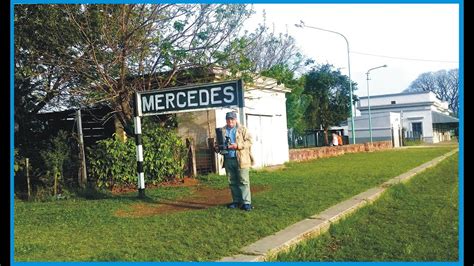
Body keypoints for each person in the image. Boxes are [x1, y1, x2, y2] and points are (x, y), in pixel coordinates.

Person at [215, 111, 254, 211]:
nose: (230, 121)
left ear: (236, 119)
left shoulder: (242, 129)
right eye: (228, 119)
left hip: (241, 159)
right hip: (228, 159)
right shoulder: (222, 130)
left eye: (232, 119)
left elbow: (250, 141)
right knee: (232, 181)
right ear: (226, 120)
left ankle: (246, 203)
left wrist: (238, 146)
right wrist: (217, 147)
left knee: (243, 181)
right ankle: (236, 201)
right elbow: (217, 143)